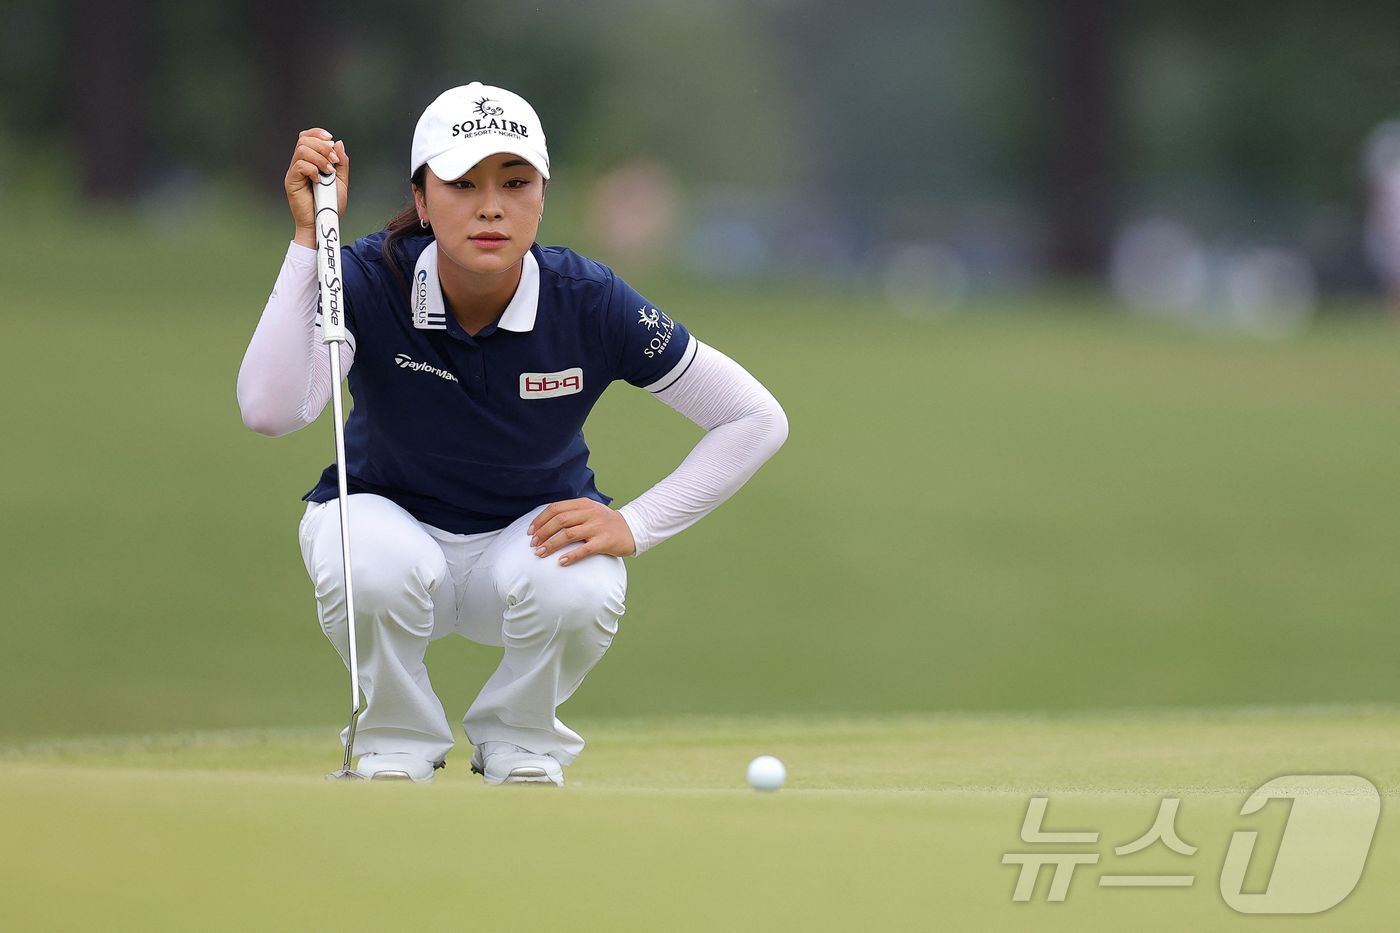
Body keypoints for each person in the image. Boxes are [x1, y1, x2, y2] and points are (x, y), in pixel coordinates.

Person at [236, 83, 788, 785]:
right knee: (360, 551)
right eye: (462, 183)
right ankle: (395, 737)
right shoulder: (371, 276)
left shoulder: (589, 299)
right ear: (423, 196)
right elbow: (272, 409)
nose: (491, 205)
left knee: (584, 581)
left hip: (523, 550)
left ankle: (521, 739)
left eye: (515, 182)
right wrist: (312, 242)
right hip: (390, 526)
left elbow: (754, 417)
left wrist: (638, 524)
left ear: (543, 196)